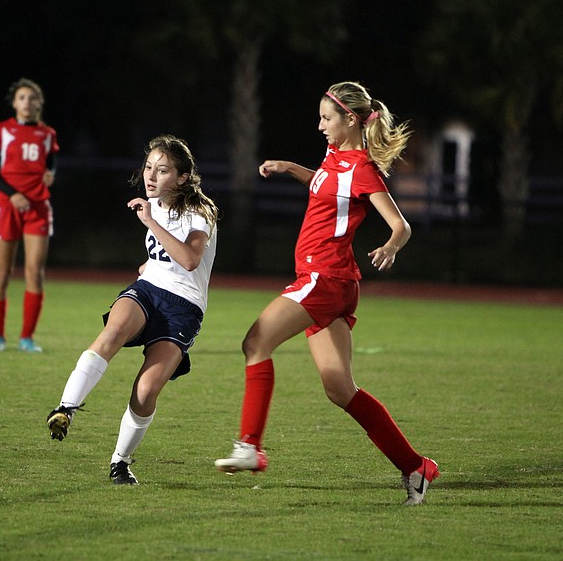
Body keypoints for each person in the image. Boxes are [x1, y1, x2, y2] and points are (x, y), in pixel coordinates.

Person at [214, 81, 439, 506]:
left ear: (350, 119)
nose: (320, 125)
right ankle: (416, 466)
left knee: (255, 341)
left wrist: (391, 246)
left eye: (326, 118)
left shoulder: (361, 168)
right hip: (334, 283)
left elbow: (400, 225)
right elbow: (324, 185)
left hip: (325, 278)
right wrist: (290, 168)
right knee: (340, 389)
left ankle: (249, 446)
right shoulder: (335, 157)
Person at [46, 134, 219, 485]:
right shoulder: (153, 204)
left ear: (183, 178)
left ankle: (120, 462)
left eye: (163, 170)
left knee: (146, 391)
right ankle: (65, 409)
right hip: (149, 290)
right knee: (113, 331)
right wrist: (148, 265)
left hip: (183, 309)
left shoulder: (200, 211)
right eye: (148, 167)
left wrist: (150, 222)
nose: (151, 176)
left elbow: (189, 259)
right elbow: (164, 256)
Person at [0, 78, 59, 352]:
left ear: (39, 103)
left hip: (38, 207)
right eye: (22, 98)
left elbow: (50, 166)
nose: (27, 102)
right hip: (8, 206)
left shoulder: (47, 134)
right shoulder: (1, 131)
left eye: (32, 98)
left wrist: (51, 175)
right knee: (2, 272)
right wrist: (12, 194)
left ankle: (26, 338)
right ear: (14, 103)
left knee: (34, 272)